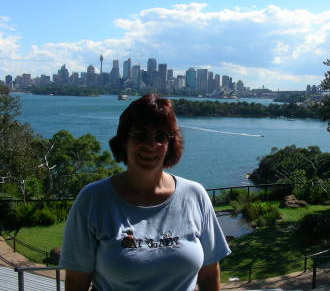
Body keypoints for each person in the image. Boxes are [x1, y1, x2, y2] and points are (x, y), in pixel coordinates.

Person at [60, 94, 231, 291]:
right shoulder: (93, 200)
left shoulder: (195, 195)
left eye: (160, 137)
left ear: (170, 143)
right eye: (141, 135)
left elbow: (209, 273)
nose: (151, 145)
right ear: (124, 140)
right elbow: (76, 282)